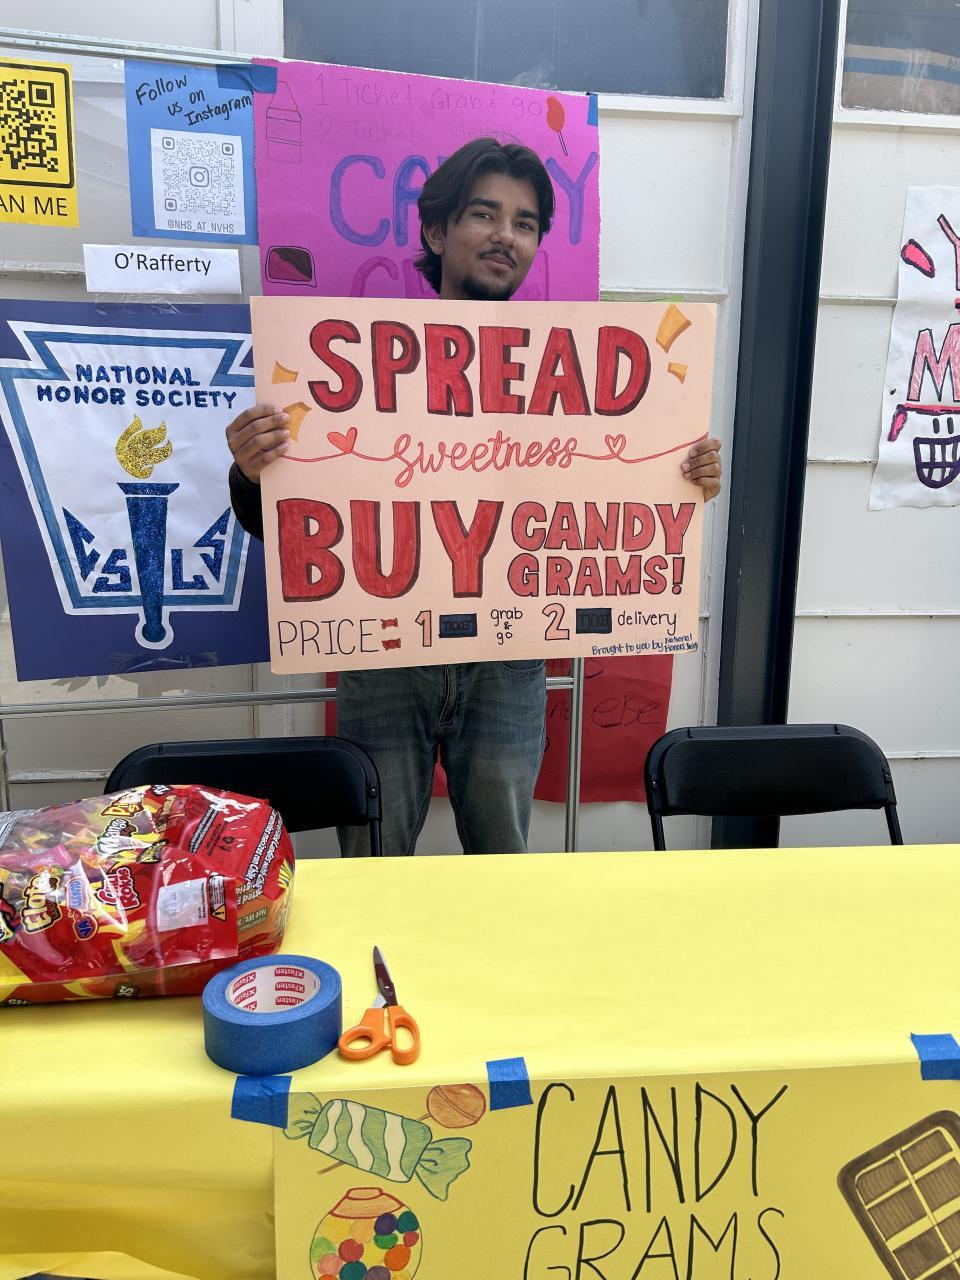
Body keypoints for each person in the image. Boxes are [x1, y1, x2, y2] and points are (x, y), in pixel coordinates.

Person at [227, 137, 721, 856]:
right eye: (485, 215)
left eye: (525, 223)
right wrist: (252, 471)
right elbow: (287, 522)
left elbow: (611, 499)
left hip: (510, 657)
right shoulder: (355, 364)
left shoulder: (576, 377)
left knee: (504, 867)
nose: (506, 235)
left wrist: (679, 477)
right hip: (385, 653)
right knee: (374, 860)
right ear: (437, 232)